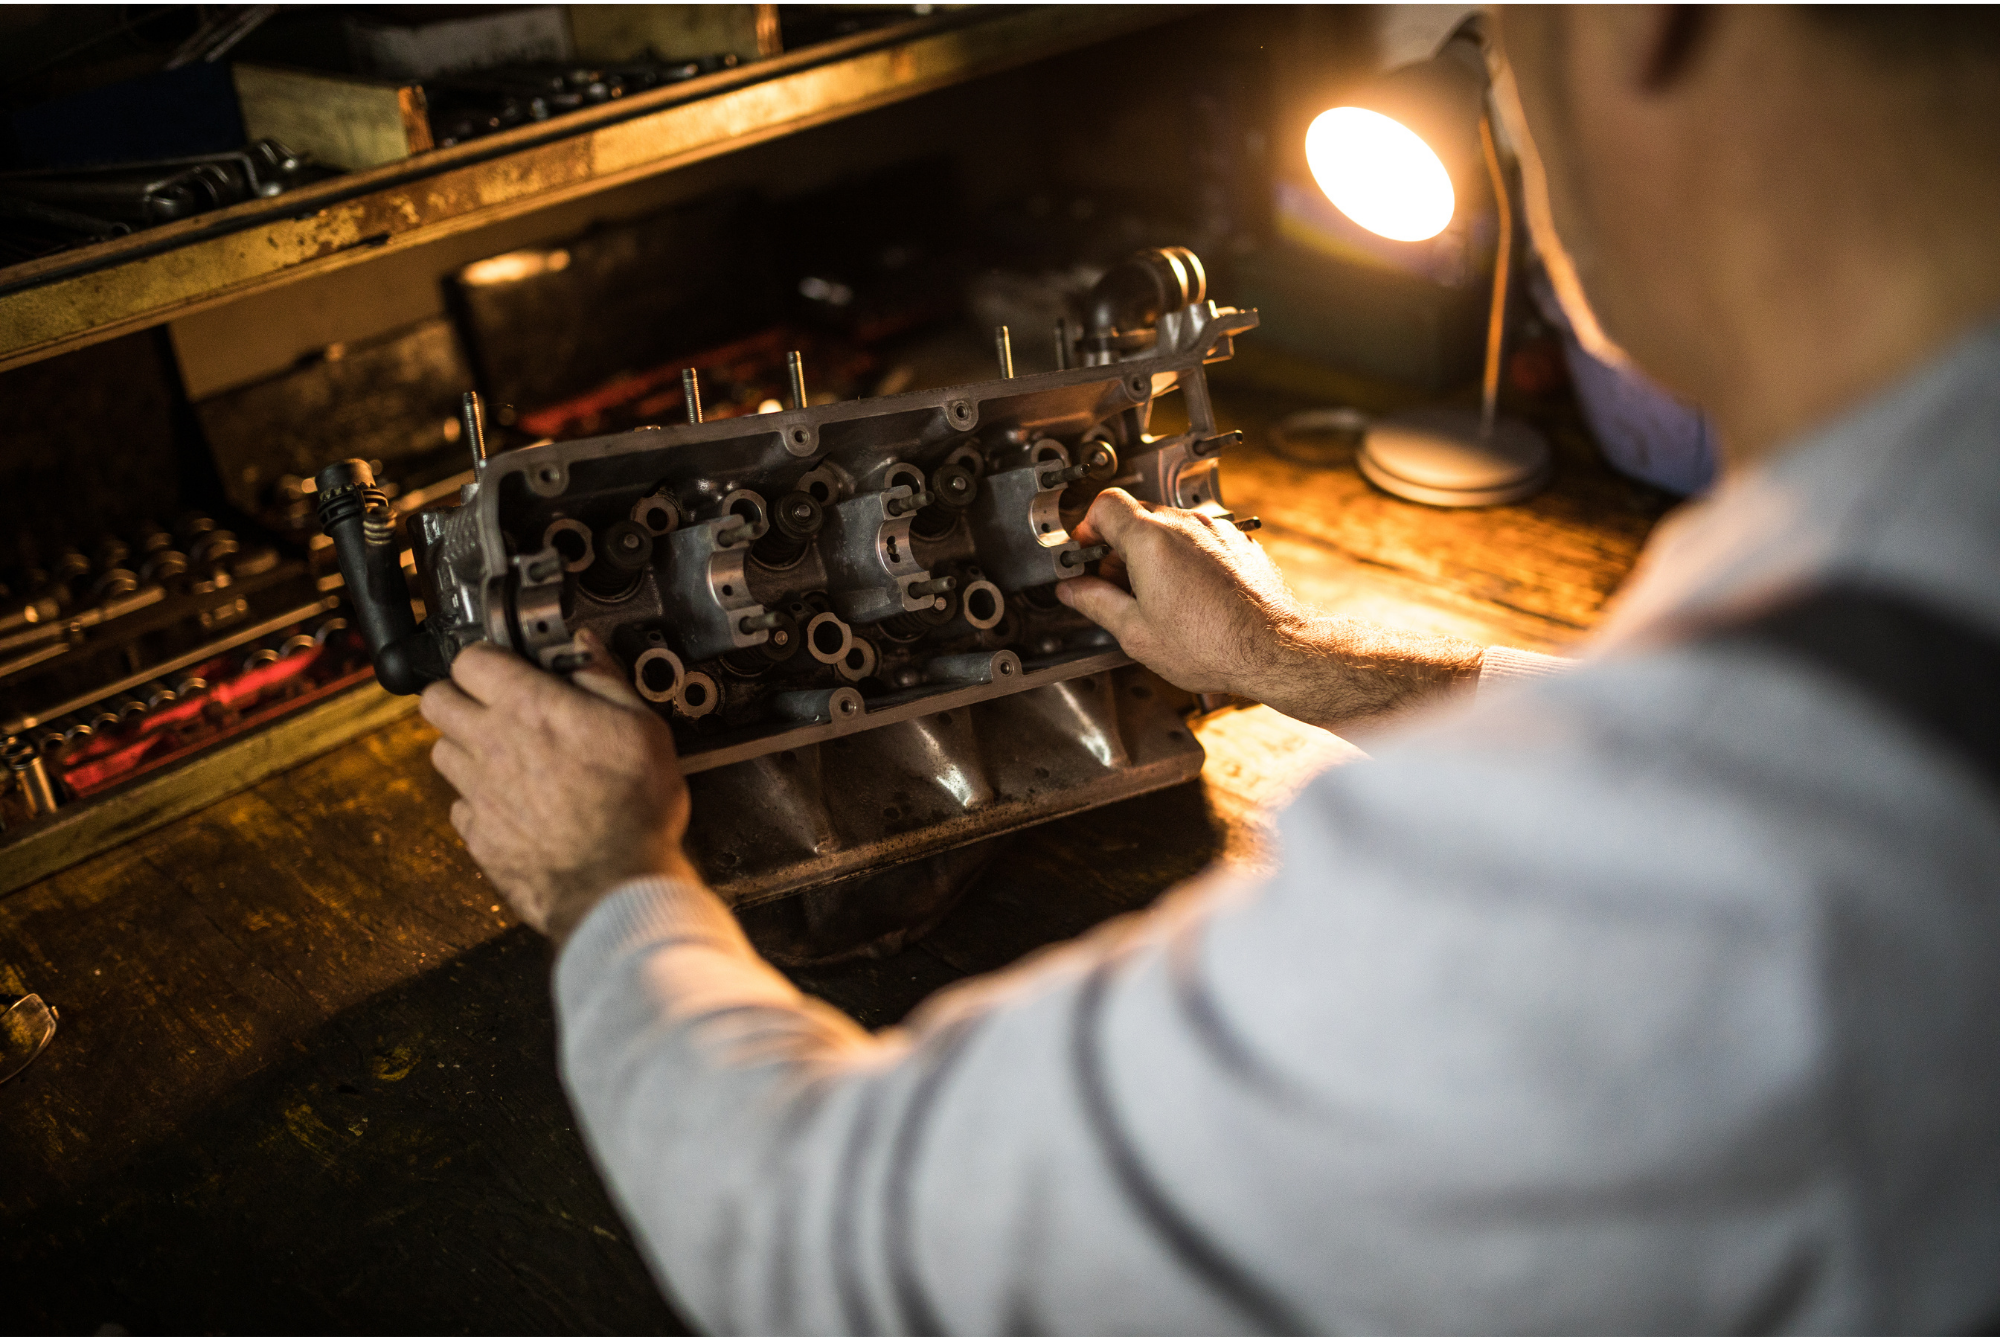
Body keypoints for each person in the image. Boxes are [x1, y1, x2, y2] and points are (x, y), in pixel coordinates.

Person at [418, 7, 2000, 1331]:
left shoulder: (1629, 902)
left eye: (1500, 60)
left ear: (1639, 21)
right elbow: (1721, 754)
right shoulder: (1904, 578)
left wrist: (607, 877)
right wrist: (1293, 661)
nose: (1510, 130)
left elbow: (819, 1244)